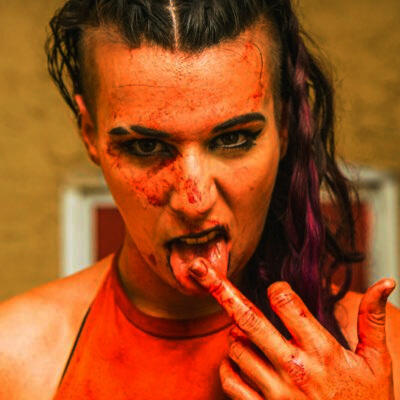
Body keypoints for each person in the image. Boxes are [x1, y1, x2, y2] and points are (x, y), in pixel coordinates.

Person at [0, 0, 399, 399]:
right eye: (145, 146)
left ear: (285, 124)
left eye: (234, 139)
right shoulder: (17, 359)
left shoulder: (379, 358)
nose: (194, 201)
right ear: (90, 132)